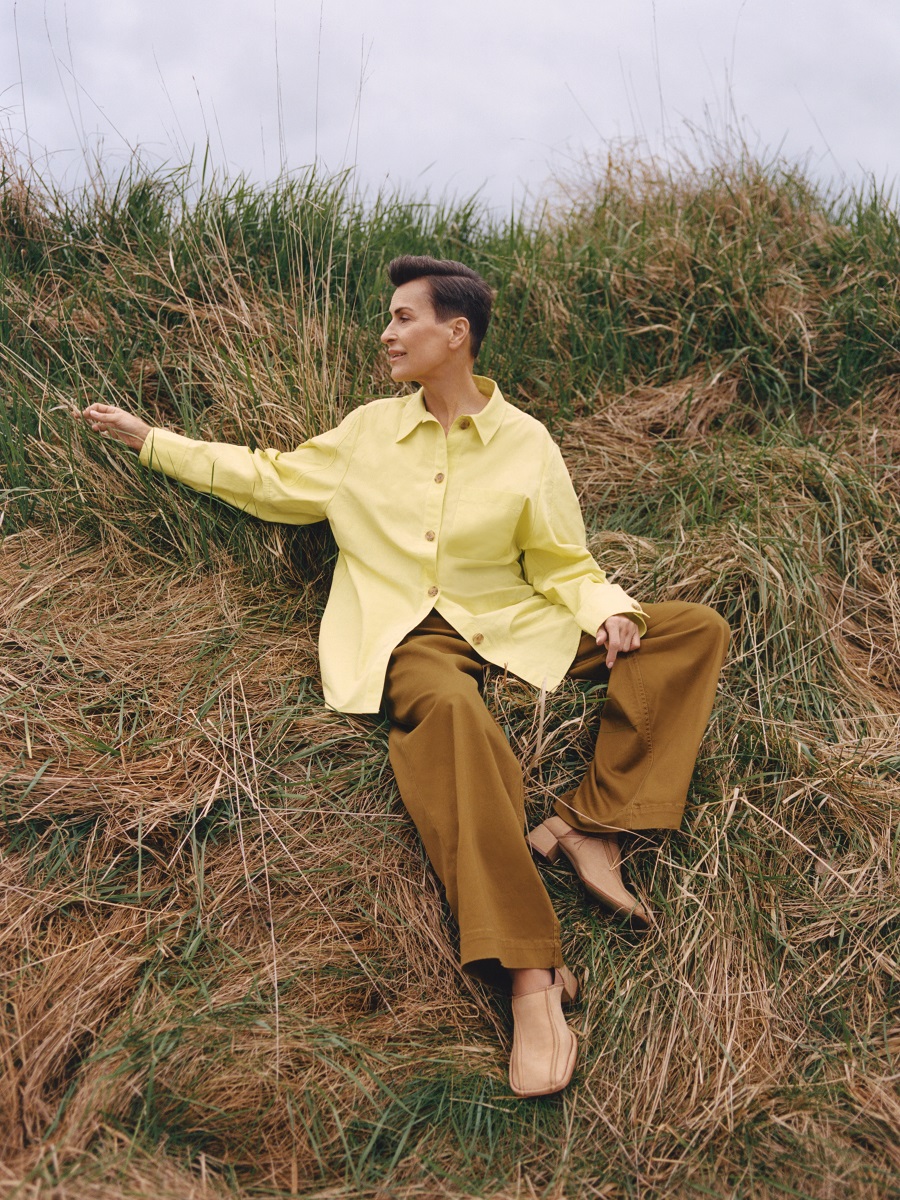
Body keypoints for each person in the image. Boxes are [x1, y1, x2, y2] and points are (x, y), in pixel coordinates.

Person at [82, 255, 729, 1098]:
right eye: (388, 319)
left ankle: (590, 824)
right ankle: (532, 978)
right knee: (455, 720)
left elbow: (560, 560)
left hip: (510, 620)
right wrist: (152, 442)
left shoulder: (526, 441)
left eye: (403, 318)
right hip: (411, 637)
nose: (386, 334)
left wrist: (608, 608)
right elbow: (271, 478)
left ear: (455, 334)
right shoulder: (366, 433)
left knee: (690, 630)